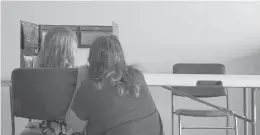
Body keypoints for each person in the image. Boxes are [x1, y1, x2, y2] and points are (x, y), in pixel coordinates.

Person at [65, 35, 164, 135]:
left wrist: (80, 79)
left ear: (91, 59)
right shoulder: (137, 76)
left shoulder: (90, 88)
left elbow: (74, 126)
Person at [20, 26, 82, 135]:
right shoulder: (76, 74)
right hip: (73, 129)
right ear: (69, 51)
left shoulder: (38, 74)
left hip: (48, 129)